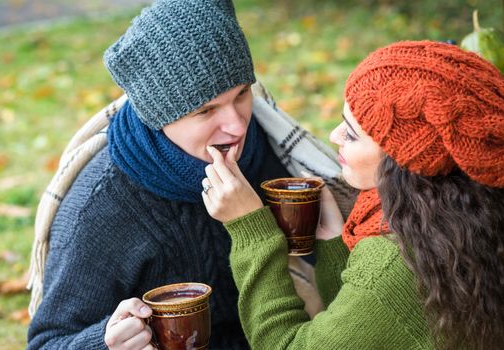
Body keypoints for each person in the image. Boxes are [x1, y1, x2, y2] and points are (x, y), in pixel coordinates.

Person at [26, 0, 352, 348]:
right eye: (206, 110)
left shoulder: (268, 147)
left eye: (242, 93)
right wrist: (105, 342)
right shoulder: (105, 206)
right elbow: (47, 341)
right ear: (158, 116)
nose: (237, 124)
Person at [202, 40, 504, 349]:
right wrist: (335, 244)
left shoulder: (394, 259)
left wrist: (251, 231)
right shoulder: (464, 217)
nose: (334, 136)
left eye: (352, 133)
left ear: (402, 161)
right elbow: (366, 327)